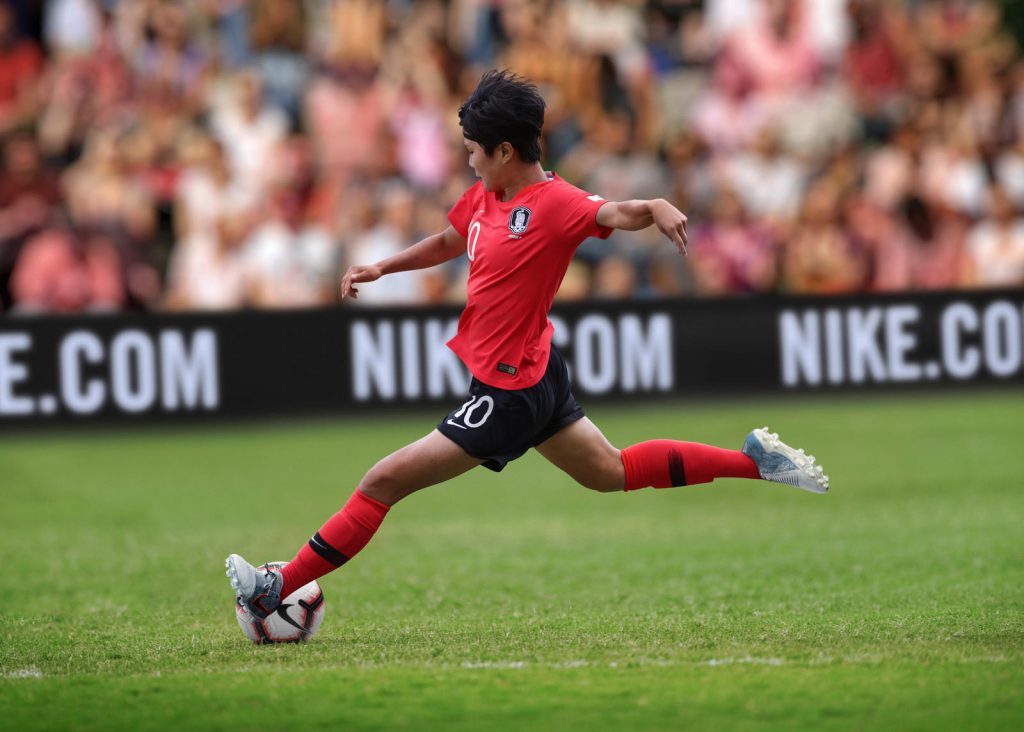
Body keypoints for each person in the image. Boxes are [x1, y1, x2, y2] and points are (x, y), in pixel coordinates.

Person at [226, 71, 829, 618]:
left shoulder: (556, 203)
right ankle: (756, 463)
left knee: (381, 482)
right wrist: (384, 267)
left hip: (509, 392)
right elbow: (450, 239)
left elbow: (615, 213)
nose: (469, 162)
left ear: (505, 151)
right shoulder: (487, 195)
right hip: (540, 374)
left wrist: (654, 204)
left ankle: (277, 588)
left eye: (473, 151)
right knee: (611, 471)